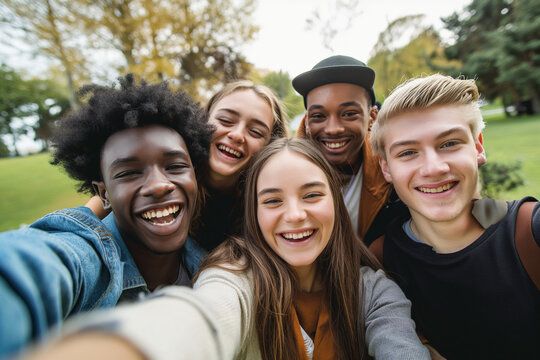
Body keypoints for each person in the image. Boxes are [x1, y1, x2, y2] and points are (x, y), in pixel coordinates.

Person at [26, 138, 430, 360]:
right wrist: (130, 347)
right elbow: (204, 319)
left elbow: (400, 344)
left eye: (311, 195)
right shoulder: (232, 277)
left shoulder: (371, 289)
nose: (294, 215)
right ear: (252, 214)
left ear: (336, 204)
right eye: (272, 201)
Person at [0, 74, 212, 358]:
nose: (160, 185)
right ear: (104, 194)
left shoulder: (209, 268)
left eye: (175, 166)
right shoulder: (85, 256)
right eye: (129, 173)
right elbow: (31, 268)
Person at [369, 74, 540, 359]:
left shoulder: (530, 233)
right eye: (409, 152)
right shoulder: (383, 262)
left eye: (449, 143)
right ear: (386, 168)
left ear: (478, 147)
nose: (433, 168)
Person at [87, 80, 288, 251]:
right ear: (202, 119)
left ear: (269, 145)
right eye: (225, 120)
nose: (237, 135)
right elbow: (86, 219)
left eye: (256, 132)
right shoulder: (167, 164)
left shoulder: (264, 201)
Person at [292, 55, 406, 245]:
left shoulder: (395, 174)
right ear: (307, 121)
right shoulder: (281, 174)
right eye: (319, 116)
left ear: (372, 117)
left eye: (349, 114)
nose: (333, 128)